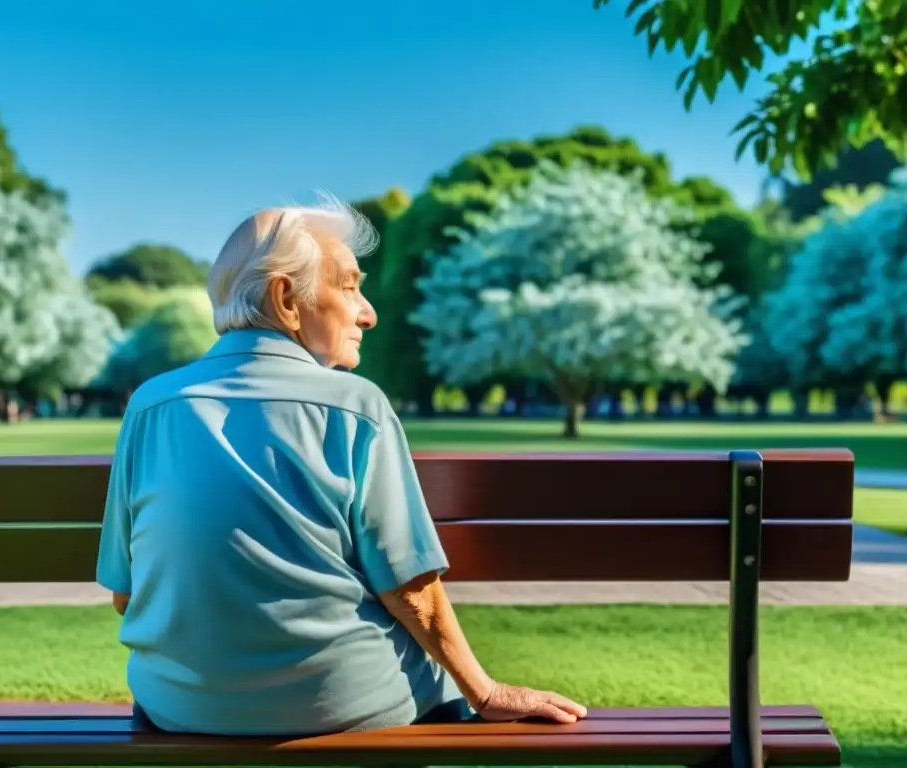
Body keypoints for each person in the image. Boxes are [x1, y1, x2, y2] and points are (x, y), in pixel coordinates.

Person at [95, 194, 586, 736]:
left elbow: (125, 596)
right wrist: (486, 691)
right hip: (345, 706)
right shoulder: (356, 404)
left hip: (180, 710)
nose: (368, 313)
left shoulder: (148, 405)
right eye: (350, 285)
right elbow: (410, 587)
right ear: (286, 298)